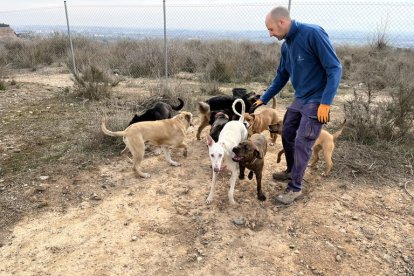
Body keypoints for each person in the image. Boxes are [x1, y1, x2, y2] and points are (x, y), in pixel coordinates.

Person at [250, 6, 342, 204]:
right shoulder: (286, 46)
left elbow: (335, 68)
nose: (270, 34)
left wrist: (326, 103)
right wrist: (263, 99)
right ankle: (292, 171)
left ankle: (295, 187)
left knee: (303, 141)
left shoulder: (312, 33)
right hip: (300, 98)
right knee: (288, 132)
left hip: (317, 99)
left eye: (271, 29)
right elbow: (281, 76)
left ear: (282, 22)